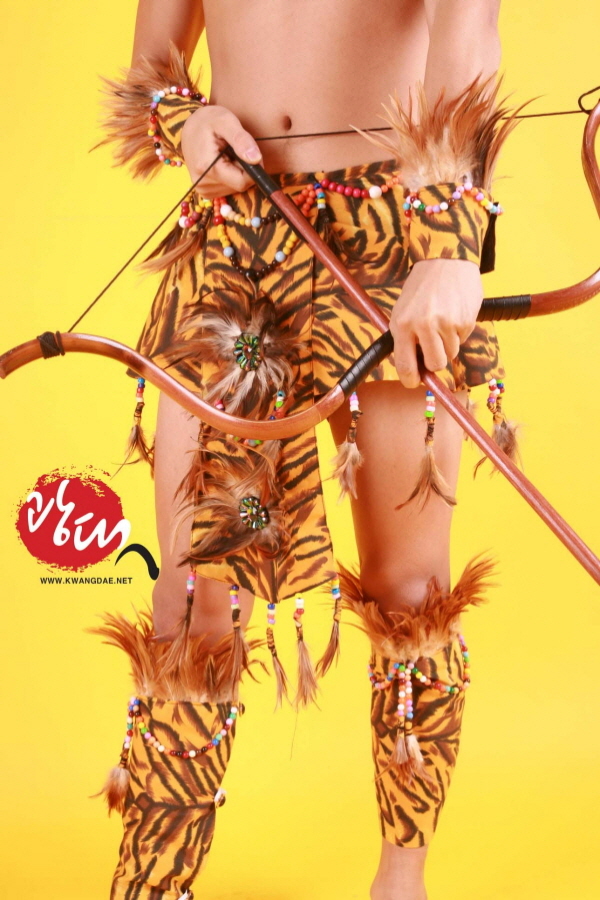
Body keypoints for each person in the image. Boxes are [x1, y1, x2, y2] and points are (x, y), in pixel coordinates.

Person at [93, 2, 522, 898]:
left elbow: (468, 24)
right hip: (234, 246)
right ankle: (152, 887)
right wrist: (186, 125)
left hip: (389, 241)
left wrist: (450, 243)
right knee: (191, 607)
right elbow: (151, 71)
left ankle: (401, 881)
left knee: (411, 595)